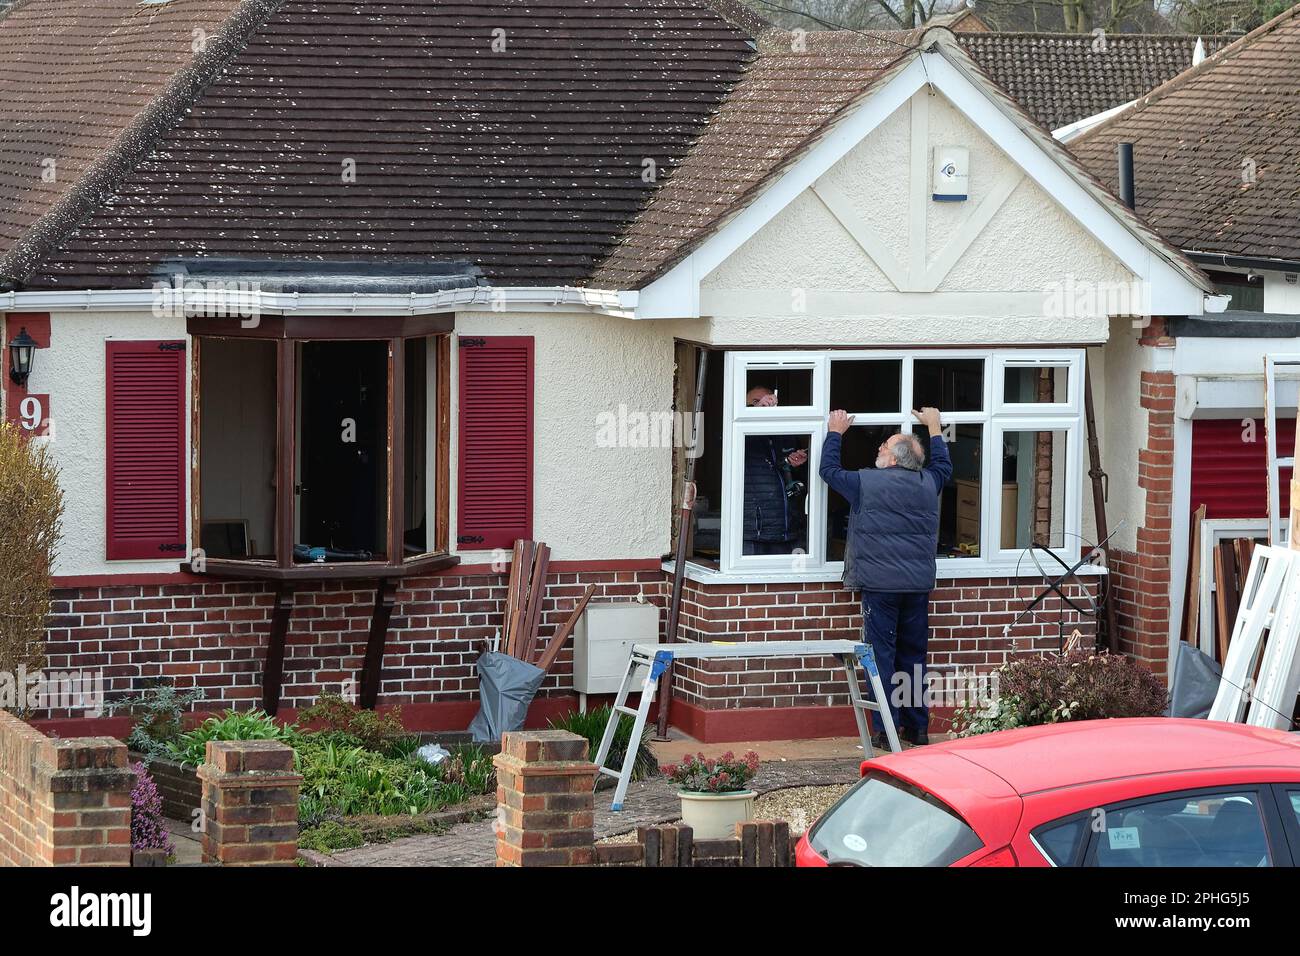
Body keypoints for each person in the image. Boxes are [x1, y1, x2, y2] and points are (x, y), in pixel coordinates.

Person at [819, 406, 951, 747]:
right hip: (917, 587)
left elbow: (828, 471)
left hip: (880, 588)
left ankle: (885, 729)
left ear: (894, 460)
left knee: (881, 657)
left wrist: (835, 432)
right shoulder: (929, 482)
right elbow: (943, 466)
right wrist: (935, 428)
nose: (878, 449)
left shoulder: (866, 482)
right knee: (913, 657)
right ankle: (918, 727)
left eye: (884, 447)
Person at [742, 386, 808, 556]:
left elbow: (806, 481)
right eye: (755, 402)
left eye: (767, 401)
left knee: (790, 583)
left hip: (788, 531)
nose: (764, 406)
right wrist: (755, 413)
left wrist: (797, 465)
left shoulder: (786, 432)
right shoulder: (740, 434)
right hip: (752, 534)